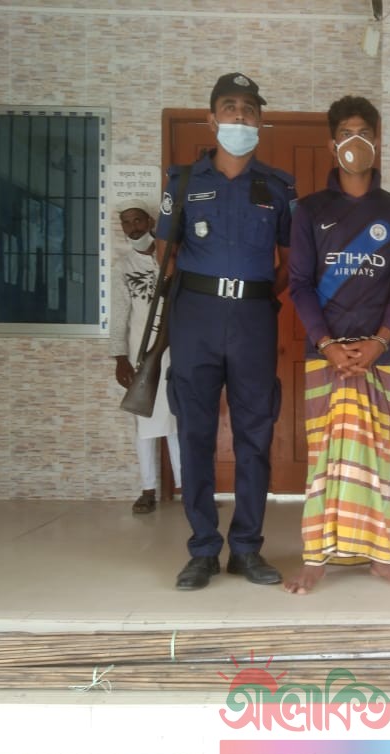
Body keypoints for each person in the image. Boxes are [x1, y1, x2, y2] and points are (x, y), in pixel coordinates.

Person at [155, 73, 297, 591]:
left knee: (254, 435)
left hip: (254, 319)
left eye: (249, 109)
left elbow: (290, 262)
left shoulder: (279, 187)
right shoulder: (182, 182)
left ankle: (246, 548)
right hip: (195, 318)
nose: (240, 116)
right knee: (194, 434)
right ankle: (202, 549)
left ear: (260, 120)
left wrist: (252, 295)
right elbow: (165, 256)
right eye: (230, 107)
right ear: (212, 118)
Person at [283, 95, 390, 595]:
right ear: (332, 143)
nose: (354, 141)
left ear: (377, 140)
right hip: (324, 355)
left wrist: (380, 342)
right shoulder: (309, 210)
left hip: (379, 357)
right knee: (325, 459)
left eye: (364, 132)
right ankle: (315, 559)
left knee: (375, 460)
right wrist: (326, 344)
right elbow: (300, 284)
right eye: (345, 133)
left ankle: (380, 557)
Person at [110, 199, 182, 513]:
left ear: (151, 222)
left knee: (178, 419)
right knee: (145, 422)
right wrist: (120, 357)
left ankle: (187, 489)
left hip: (176, 349)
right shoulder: (123, 266)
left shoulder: (173, 257)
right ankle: (148, 489)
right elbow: (119, 314)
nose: (133, 228)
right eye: (126, 223)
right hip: (143, 352)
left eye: (138, 220)